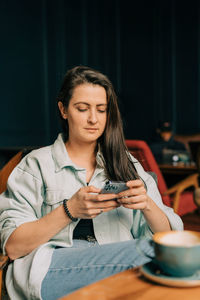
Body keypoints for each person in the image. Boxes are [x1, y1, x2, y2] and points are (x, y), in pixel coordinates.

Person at [0, 66, 183, 300]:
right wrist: (69, 210)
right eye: (82, 108)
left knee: (169, 252)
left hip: (115, 266)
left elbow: (168, 236)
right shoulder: (36, 165)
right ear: (63, 110)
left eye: (101, 110)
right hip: (50, 269)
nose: (93, 119)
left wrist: (147, 204)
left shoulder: (125, 163)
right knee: (157, 254)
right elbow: (13, 247)